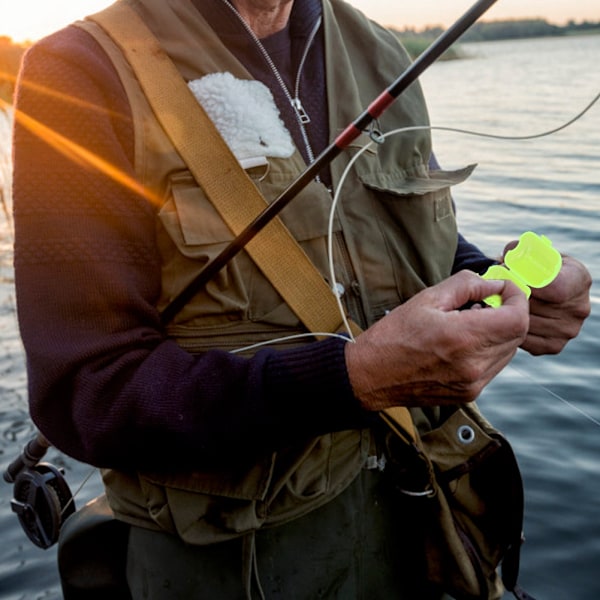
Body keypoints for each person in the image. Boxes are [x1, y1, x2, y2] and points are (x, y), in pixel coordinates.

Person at [11, 0, 591, 598]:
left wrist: (499, 286)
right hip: (232, 570)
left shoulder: (379, 47)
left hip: (423, 535)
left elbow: (407, 243)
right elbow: (86, 391)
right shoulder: (78, 72)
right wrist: (352, 379)